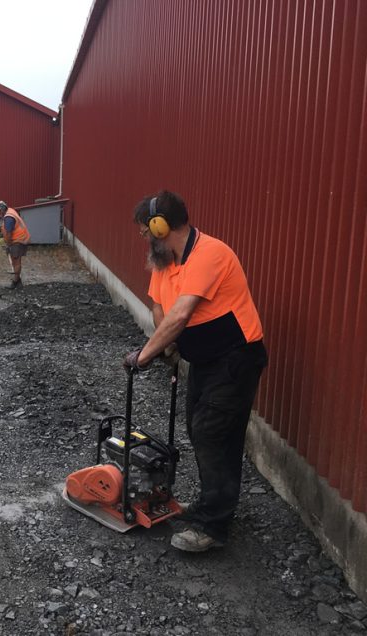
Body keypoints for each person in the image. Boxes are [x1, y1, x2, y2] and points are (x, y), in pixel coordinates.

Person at [123, 190, 268, 553]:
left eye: (144, 232)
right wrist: (167, 347)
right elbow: (160, 308)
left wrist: (145, 355)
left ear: (160, 226)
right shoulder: (165, 260)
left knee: (212, 433)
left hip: (235, 358)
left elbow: (182, 313)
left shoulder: (210, 254)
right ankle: (212, 504)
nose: (144, 239)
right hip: (205, 361)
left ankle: (214, 528)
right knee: (199, 429)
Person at [0, 201, 30, 288]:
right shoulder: (10, 211)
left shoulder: (9, 218)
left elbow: (9, 234)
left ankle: (15, 281)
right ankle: (18, 280)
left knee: (16, 260)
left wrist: (8, 244)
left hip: (18, 240)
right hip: (19, 238)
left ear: (3, 209)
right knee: (15, 260)